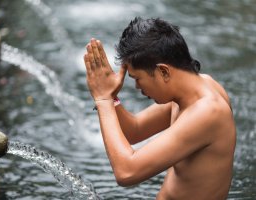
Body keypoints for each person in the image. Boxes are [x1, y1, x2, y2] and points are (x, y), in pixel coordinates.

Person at [83, 17, 236, 200]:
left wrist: (103, 100)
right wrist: (112, 97)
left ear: (163, 71)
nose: (138, 88)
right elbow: (135, 130)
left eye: (137, 78)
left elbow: (126, 172)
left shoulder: (209, 112)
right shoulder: (189, 93)